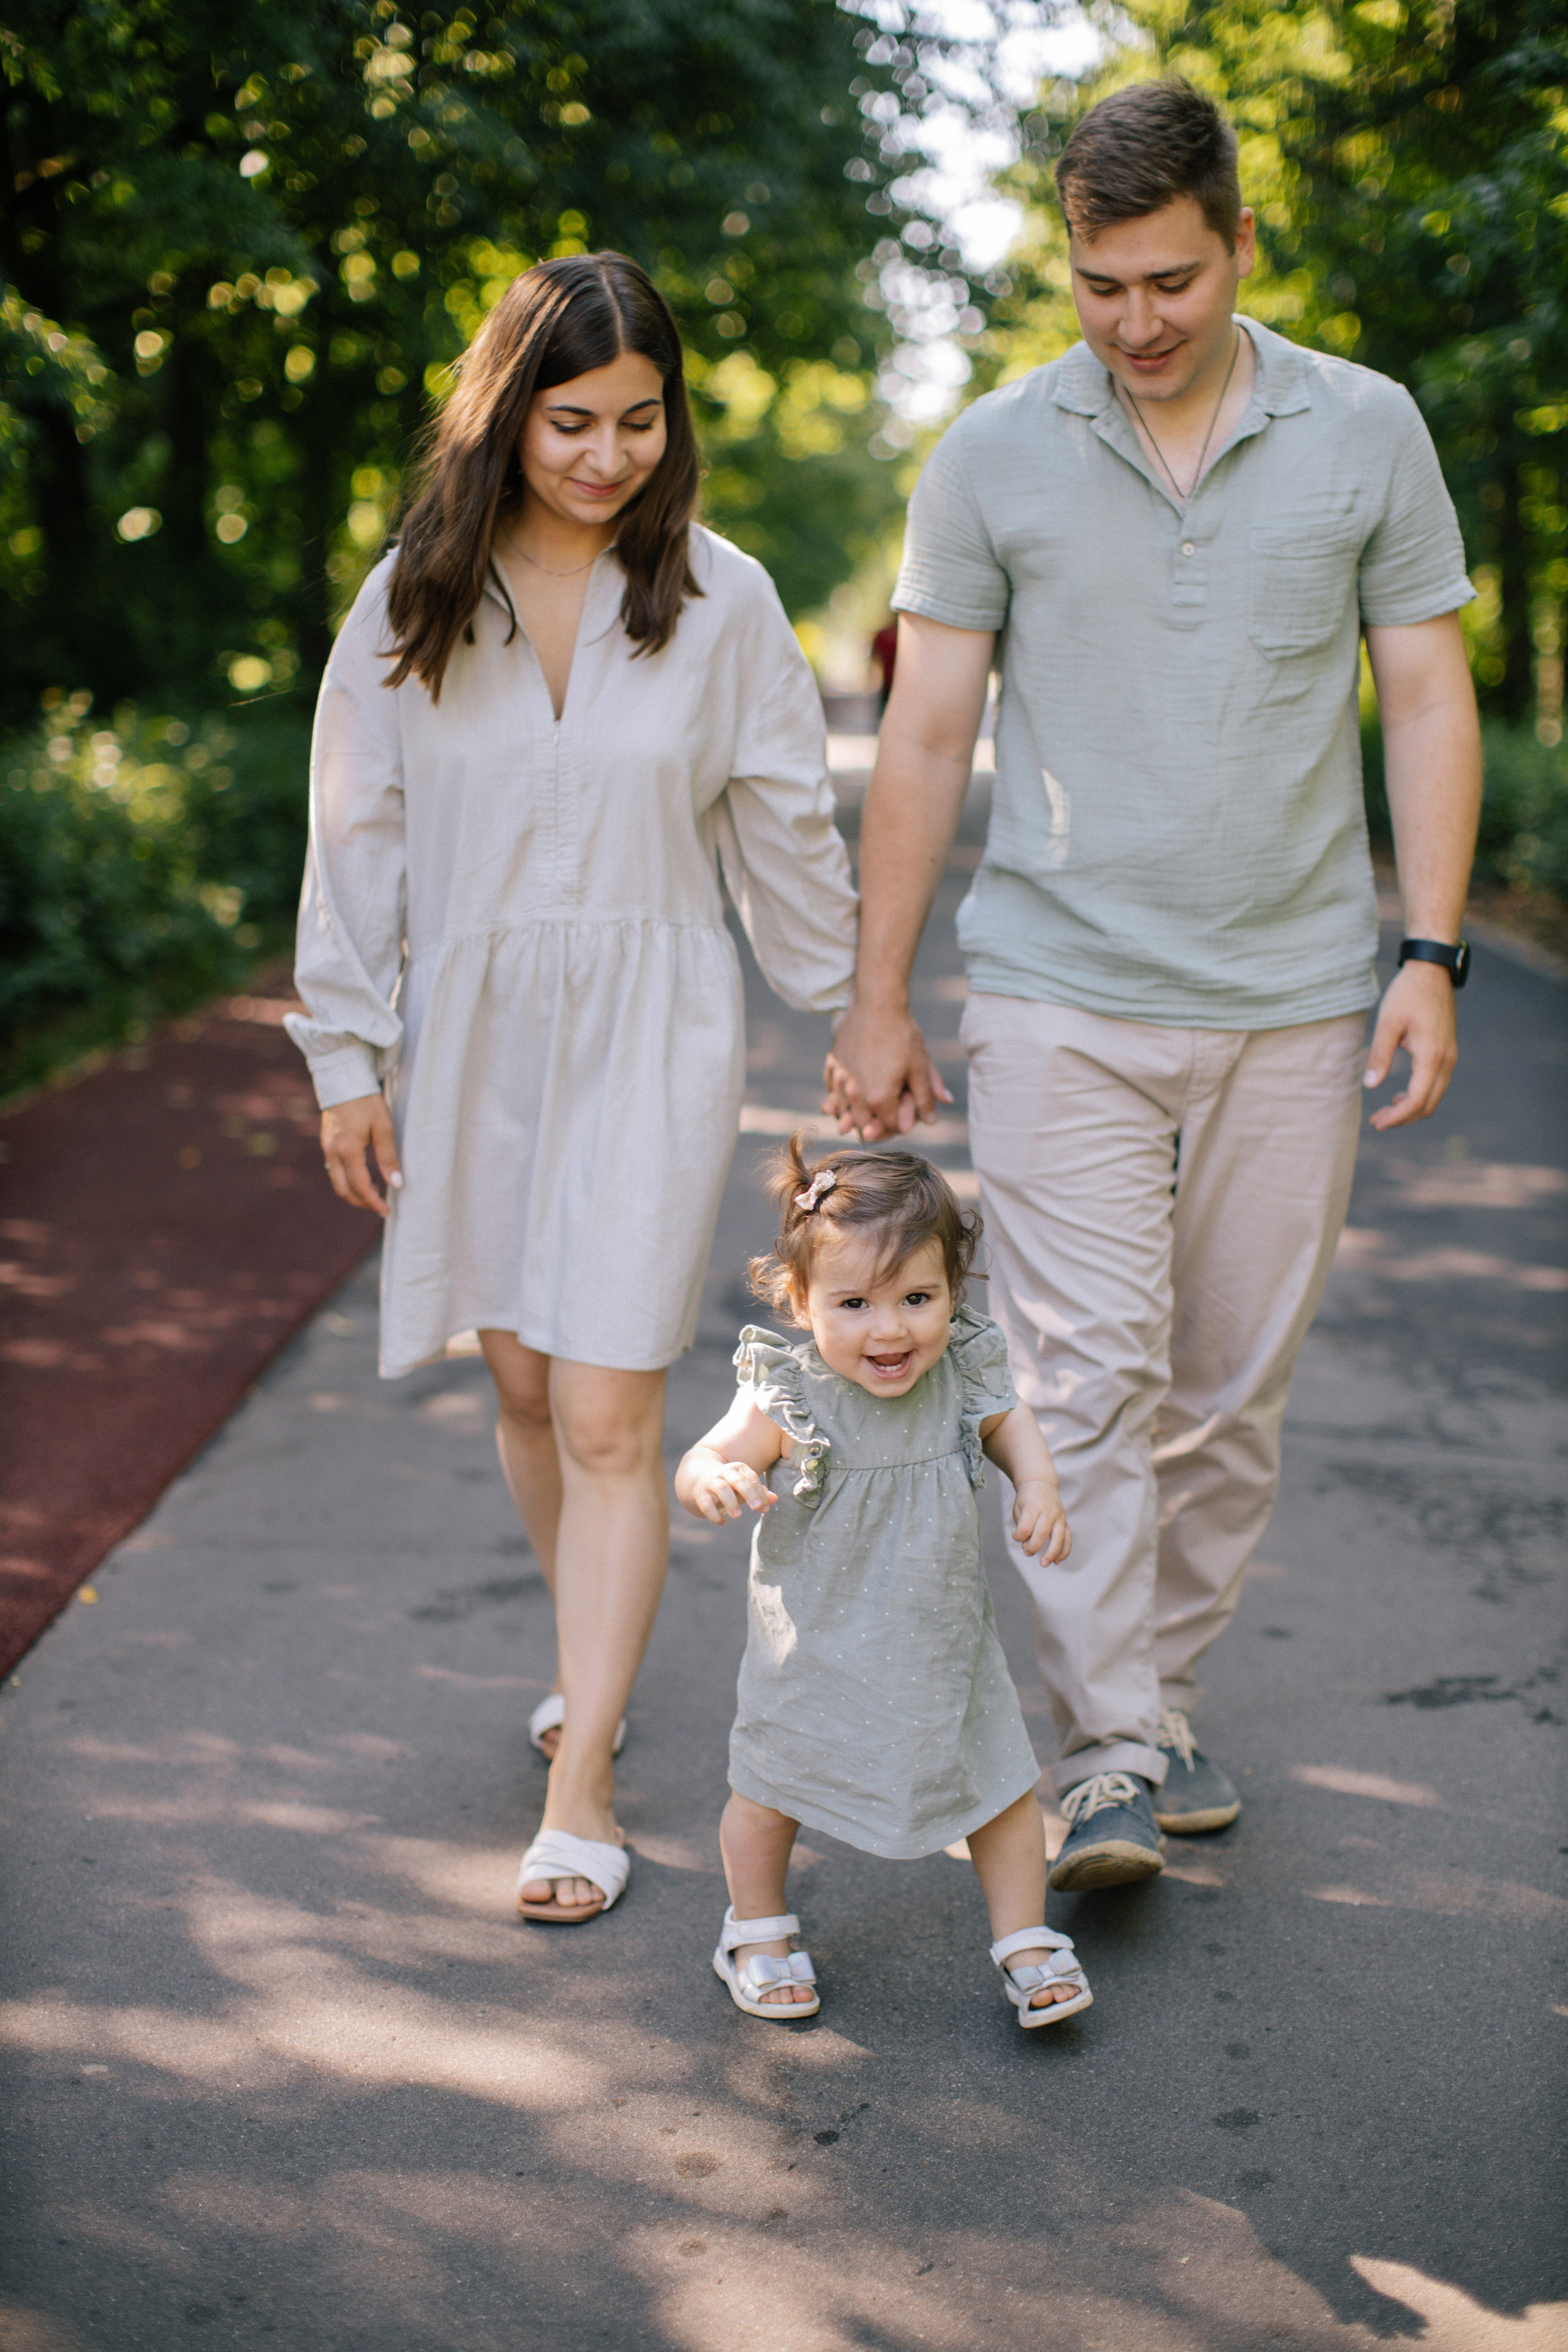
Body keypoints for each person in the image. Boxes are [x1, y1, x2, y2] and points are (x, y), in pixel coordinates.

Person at [823, 79, 1481, 1893]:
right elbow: (930, 726)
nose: (1137, 324)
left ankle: (1160, 1697)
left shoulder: (1369, 431)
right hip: (1059, 991)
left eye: (1172, 281)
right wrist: (877, 994)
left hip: (1294, 994)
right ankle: (1107, 1746)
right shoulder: (991, 453)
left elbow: (1423, 692)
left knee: (1227, 1392)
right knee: (1087, 1375)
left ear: (1241, 240)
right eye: (1103, 286)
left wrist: (1425, 951)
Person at [287, 253, 858, 1926]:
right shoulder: (415, 594)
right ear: (505, 412)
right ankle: (587, 1663)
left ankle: (583, 1778)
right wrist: (347, 1057)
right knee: (528, 1393)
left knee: (613, 1411)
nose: (608, 456)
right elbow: (354, 839)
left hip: (654, 1033)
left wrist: (845, 1021)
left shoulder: (721, 597)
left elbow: (781, 830)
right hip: (472, 1039)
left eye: (640, 421)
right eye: (572, 421)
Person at [674, 1141, 1094, 2030]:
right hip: (815, 1648)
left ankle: (1026, 1941)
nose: (891, 1330)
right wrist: (708, 1478)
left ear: (954, 1291)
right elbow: (710, 1453)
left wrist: (1041, 1487)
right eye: (854, 1304)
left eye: (918, 1298)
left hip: (942, 1641)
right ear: (800, 1302)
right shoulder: (790, 1393)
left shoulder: (959, 1374)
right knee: (770, 1790)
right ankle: (754, 1928)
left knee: (1000, 1784)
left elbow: (1011, 1427)